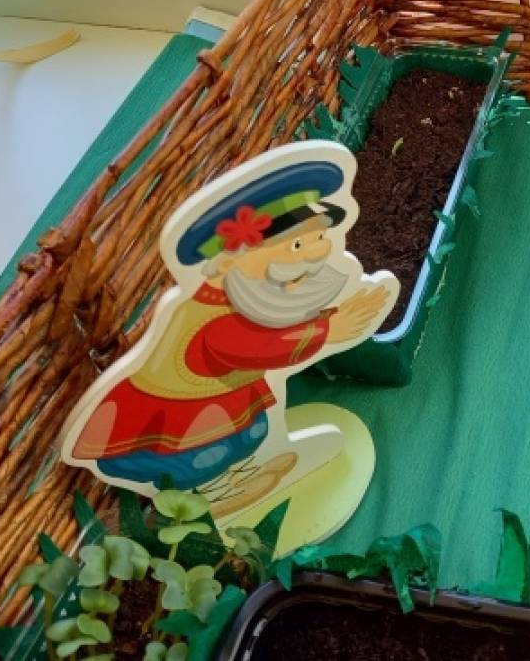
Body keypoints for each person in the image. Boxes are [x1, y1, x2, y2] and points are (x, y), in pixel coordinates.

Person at [66, 154, 395, 518]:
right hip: (168, 430)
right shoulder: (211, 316)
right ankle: (212, 495)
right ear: (227, 263)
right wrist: (328, 330)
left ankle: (238, 477)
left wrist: (329, 317)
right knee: (207, 456)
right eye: (297, 246)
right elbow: (258, 346)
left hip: (219, 405)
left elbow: (276, 324)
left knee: (251, 434)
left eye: (319, 237)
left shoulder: (252, 299)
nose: (318, 253)